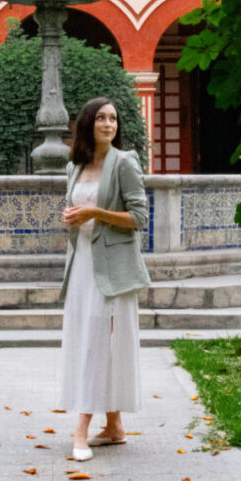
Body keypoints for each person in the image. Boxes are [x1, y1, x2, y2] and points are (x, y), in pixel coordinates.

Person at [59, 96, 151, 460]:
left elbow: (139, 217)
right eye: (101, 118)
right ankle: (113, 427)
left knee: (97, 342)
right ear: (88, 124)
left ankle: (81, 431)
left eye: (113, 119)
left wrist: (96, 212)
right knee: (88, 338)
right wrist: (72, 217)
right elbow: (76, 211)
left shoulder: (124, 163)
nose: (109, 124)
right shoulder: (75, 166)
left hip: (111, 269)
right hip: (81, 263)